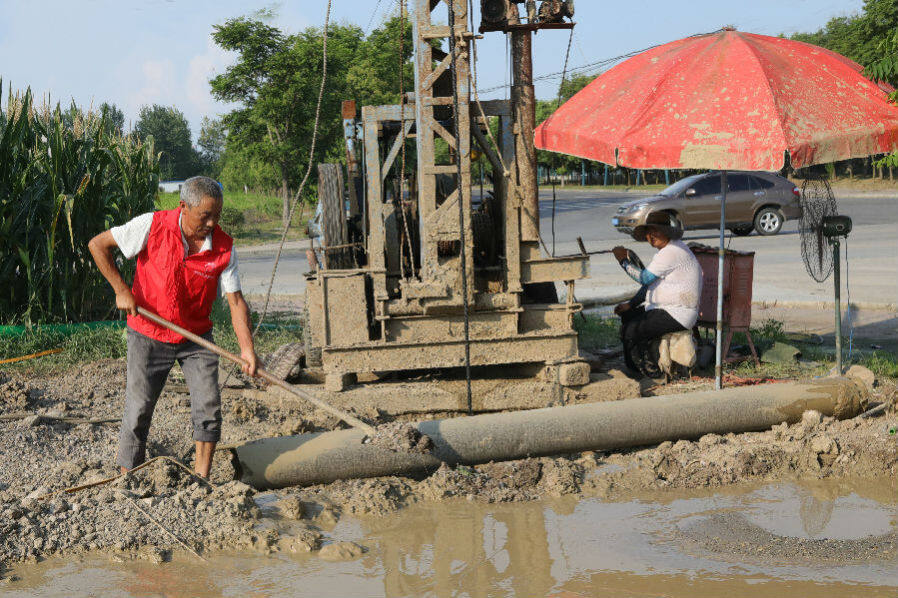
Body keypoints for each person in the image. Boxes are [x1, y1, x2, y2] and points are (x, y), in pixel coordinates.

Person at [88, 176, 259, 478]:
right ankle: (128, 474)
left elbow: (235, 303)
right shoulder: (151, 226)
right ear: (183, 206)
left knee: (208, 403)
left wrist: (247, 349)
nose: (211, 223)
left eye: (216, 216)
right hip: (149, 332)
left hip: (196, 338)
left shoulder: (224, 248)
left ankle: (201, 478)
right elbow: (98, 245)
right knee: (139, 406)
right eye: (205, 215)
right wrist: (121, 289)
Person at [611, 212, 701, 378]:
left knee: (631, 330)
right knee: (628, 317)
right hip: (665, 309)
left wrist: (623, 261)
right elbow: (651, 284)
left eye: (656, 232)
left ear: (667, 232)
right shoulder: (667, 251)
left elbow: (644, 278)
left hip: (677, 313)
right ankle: (636, 366)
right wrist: (631, 304)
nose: (651, 236)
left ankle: (650, 373)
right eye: (649, 232)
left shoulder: (671, 252)